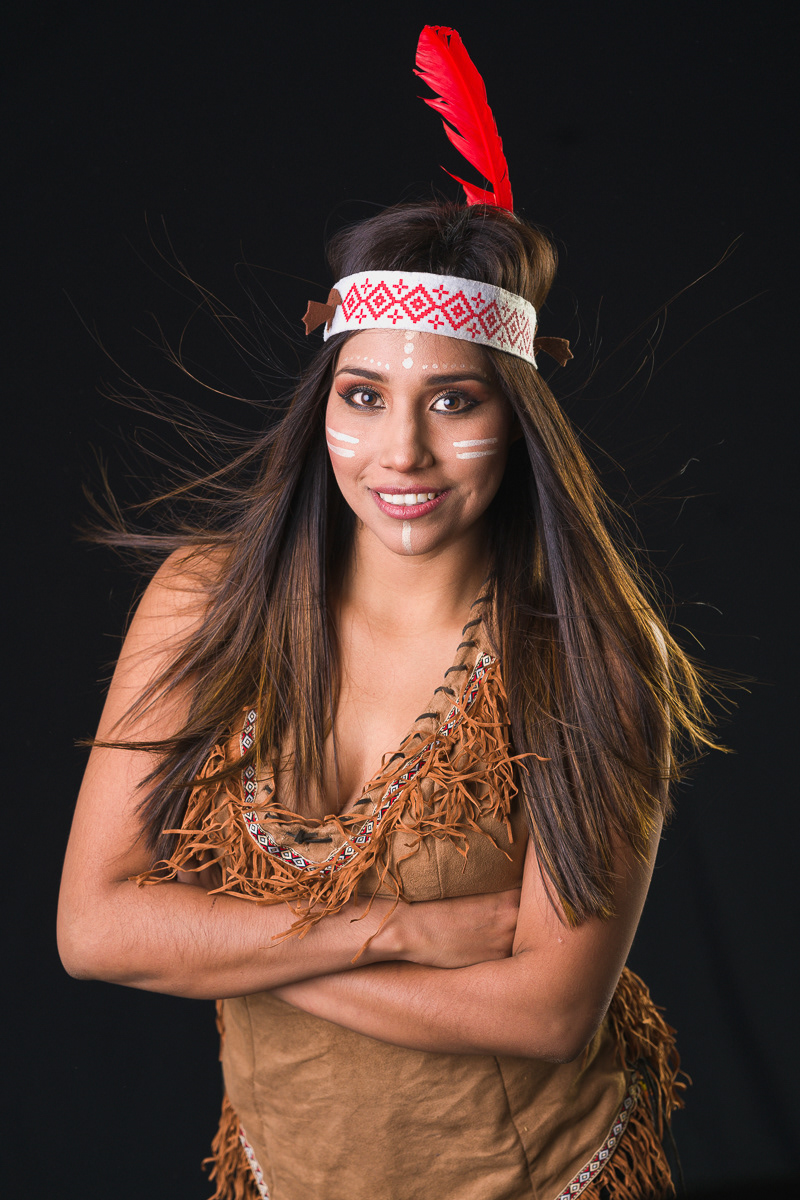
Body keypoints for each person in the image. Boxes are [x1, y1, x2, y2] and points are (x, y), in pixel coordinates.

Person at [57, 26, 717, 1200]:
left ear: (515, 420)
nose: (399, 450)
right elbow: (95, 932)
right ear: (323, 408)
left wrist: (221, 947)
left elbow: (544, 1012)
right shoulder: (204, 603)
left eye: (452, 401)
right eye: (362, 396)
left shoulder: (591, 661)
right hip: (285, 1169)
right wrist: (393, 930)